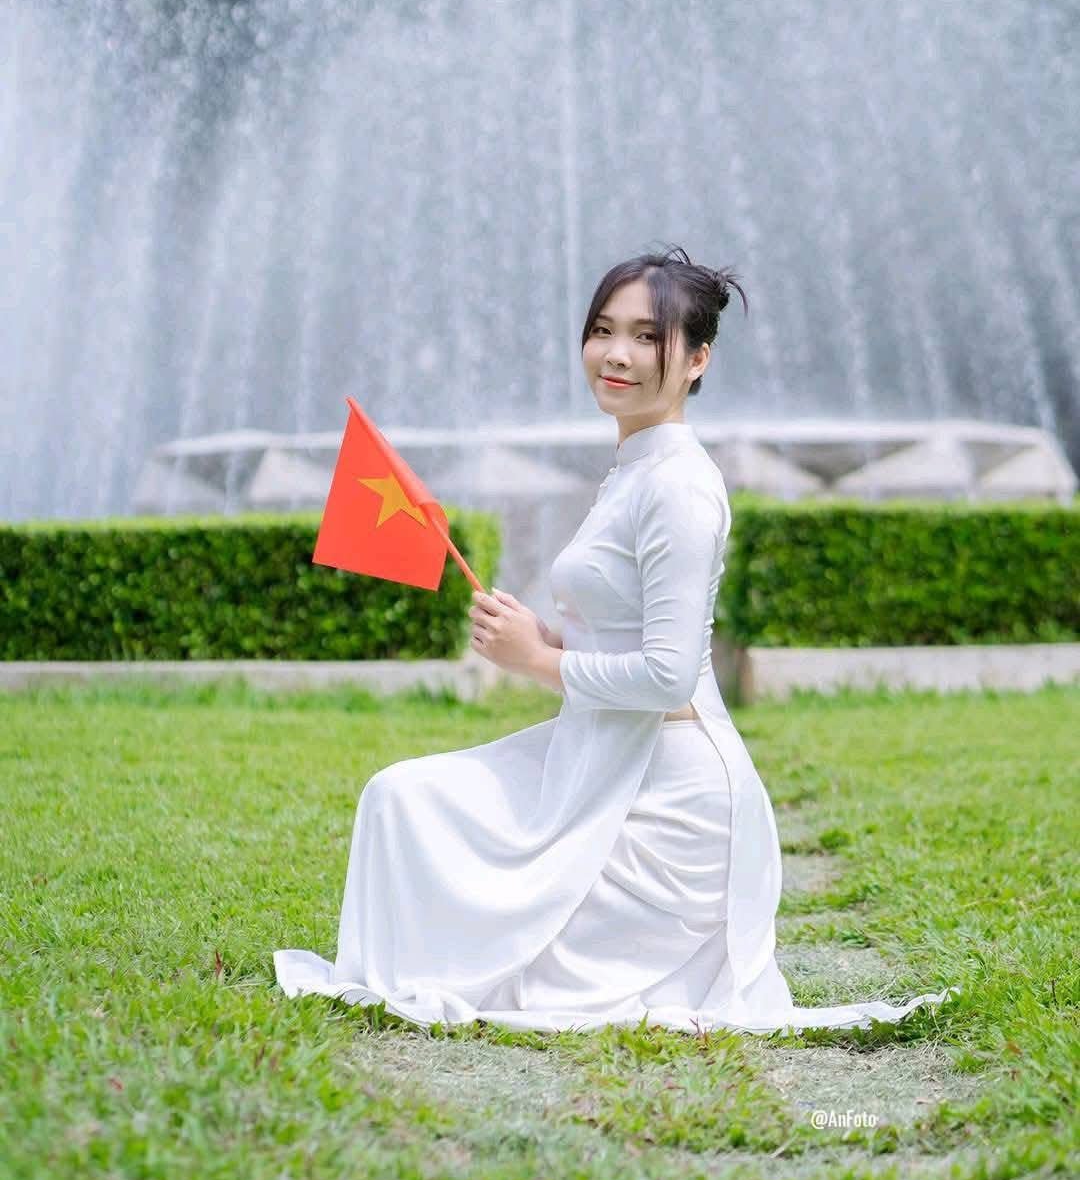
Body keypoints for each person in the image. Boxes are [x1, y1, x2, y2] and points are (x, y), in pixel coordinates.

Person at [273, 244, 958, 1033]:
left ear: (697, 360)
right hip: (599, 759)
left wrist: (538, 660)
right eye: (603, 330)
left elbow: (669, 676)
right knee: (400, 798)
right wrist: (543, 634)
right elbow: (623, 629)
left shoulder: (678, 485)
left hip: (669, 804)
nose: (617, 355)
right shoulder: (634, 469)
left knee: (511, 956)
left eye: (647, 336)